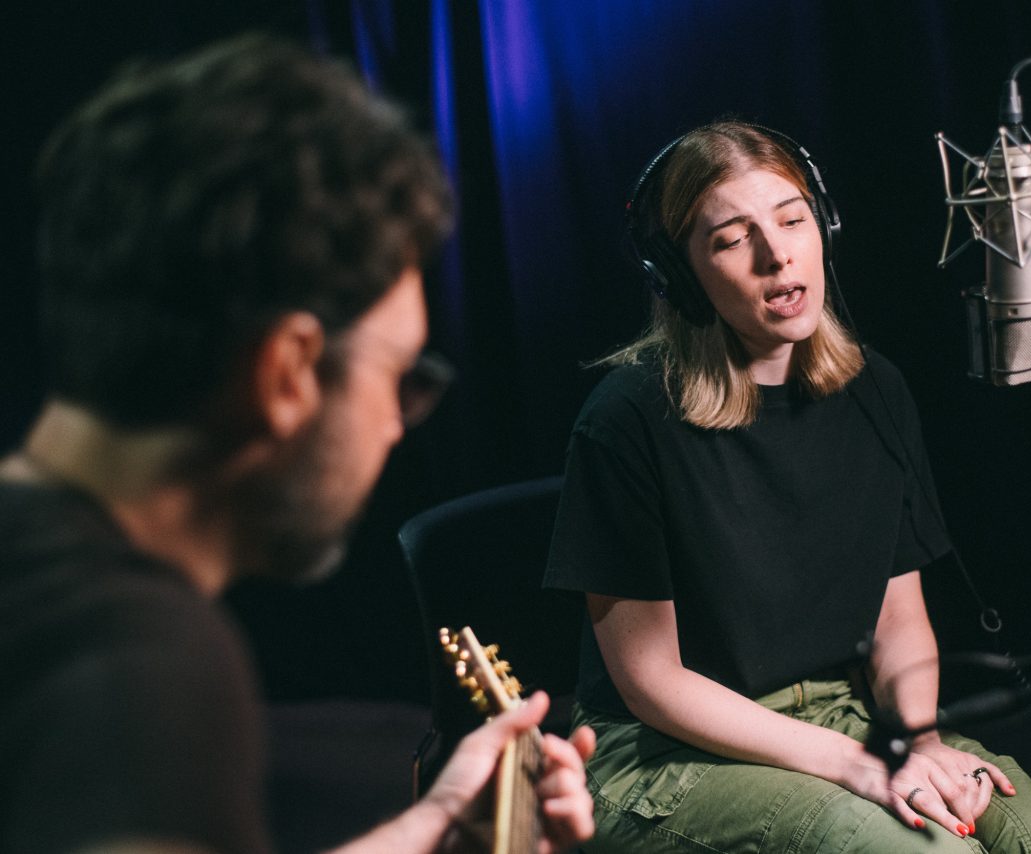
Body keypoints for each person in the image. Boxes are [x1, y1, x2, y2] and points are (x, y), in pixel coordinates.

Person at [0, 34, 594, 854]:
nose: (396, 424)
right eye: (399, 376)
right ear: (287, 373)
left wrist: (432, 830)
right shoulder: (144, 669)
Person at [543, 121, 1031, 853]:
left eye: (792, 220)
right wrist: (853, 764)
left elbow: (899, 616)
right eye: (732, 239)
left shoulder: (876, 390)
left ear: (823, 228)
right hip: (660, 751)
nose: (777, 255)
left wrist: (915, 741)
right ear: (681, 274)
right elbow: (651, 681)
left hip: (841, 714)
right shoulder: (627, 419)